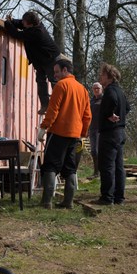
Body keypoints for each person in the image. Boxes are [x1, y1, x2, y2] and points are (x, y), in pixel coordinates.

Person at [37, 59, 92, 209]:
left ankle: (46, 201)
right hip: (74, 135)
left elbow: (53, 110)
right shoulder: (83, 89)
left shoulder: (61, 86)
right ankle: (68, 201)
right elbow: (87, 115)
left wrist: (43, 127)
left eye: (56, 71)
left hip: (58, 132)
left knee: (50, 166)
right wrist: (83, 133)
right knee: (70, 167)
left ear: (65, 70)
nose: (54, 75)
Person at [4, 11, 61, 114]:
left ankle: (59, 105)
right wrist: (12, 21)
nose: (23, 23)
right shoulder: (34, 26)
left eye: (25, 22)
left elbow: (17, 34)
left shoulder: (36, 32)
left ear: (30, 24)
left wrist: (7, 23)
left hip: (50, 58)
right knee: (40, 81)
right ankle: (45, 105)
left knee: (54, 81)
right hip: (40, 59)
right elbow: (21, 24)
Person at [94, 63, 130, 206]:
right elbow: (127, 107)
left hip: (109, 133)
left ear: (109, 76)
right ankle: (119, 197)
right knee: (119, 166)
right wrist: (118, 115)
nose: (100, 77)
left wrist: (110, 114)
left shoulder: (109, 91)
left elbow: (113, 101)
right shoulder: (120, 91)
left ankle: (107, 198)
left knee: (107, 166)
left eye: (102, 74)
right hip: (120, 132)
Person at [88, 82, 103, 178]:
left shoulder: (105, 100)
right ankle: (96, 172)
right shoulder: (91, 101)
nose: (96, 90)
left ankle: (102, 172)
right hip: (92, 128)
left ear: (101, 89)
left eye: (98, 88)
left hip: (101, 128)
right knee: (93, 151)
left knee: (99, 151)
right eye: (94, 88)